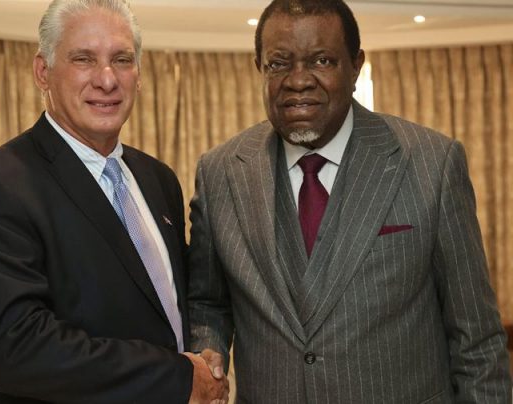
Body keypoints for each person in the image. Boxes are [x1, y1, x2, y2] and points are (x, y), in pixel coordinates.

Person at [187, 0, 512, 402]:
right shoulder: (219, 173)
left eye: (322, 61)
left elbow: (476, 340)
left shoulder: (432, 163)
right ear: (259, 68)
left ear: (356, 66)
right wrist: (209, 351)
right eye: (279, 63)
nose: (298, 81)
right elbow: (207, 302)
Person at [0, 0, 228, 403]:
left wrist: (207, 360)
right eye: (83, 59)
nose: (107, 79)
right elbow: (17, 349)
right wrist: (179, 376)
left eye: (122, 60)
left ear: (138, 74)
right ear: (43, 72)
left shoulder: (158, 179)